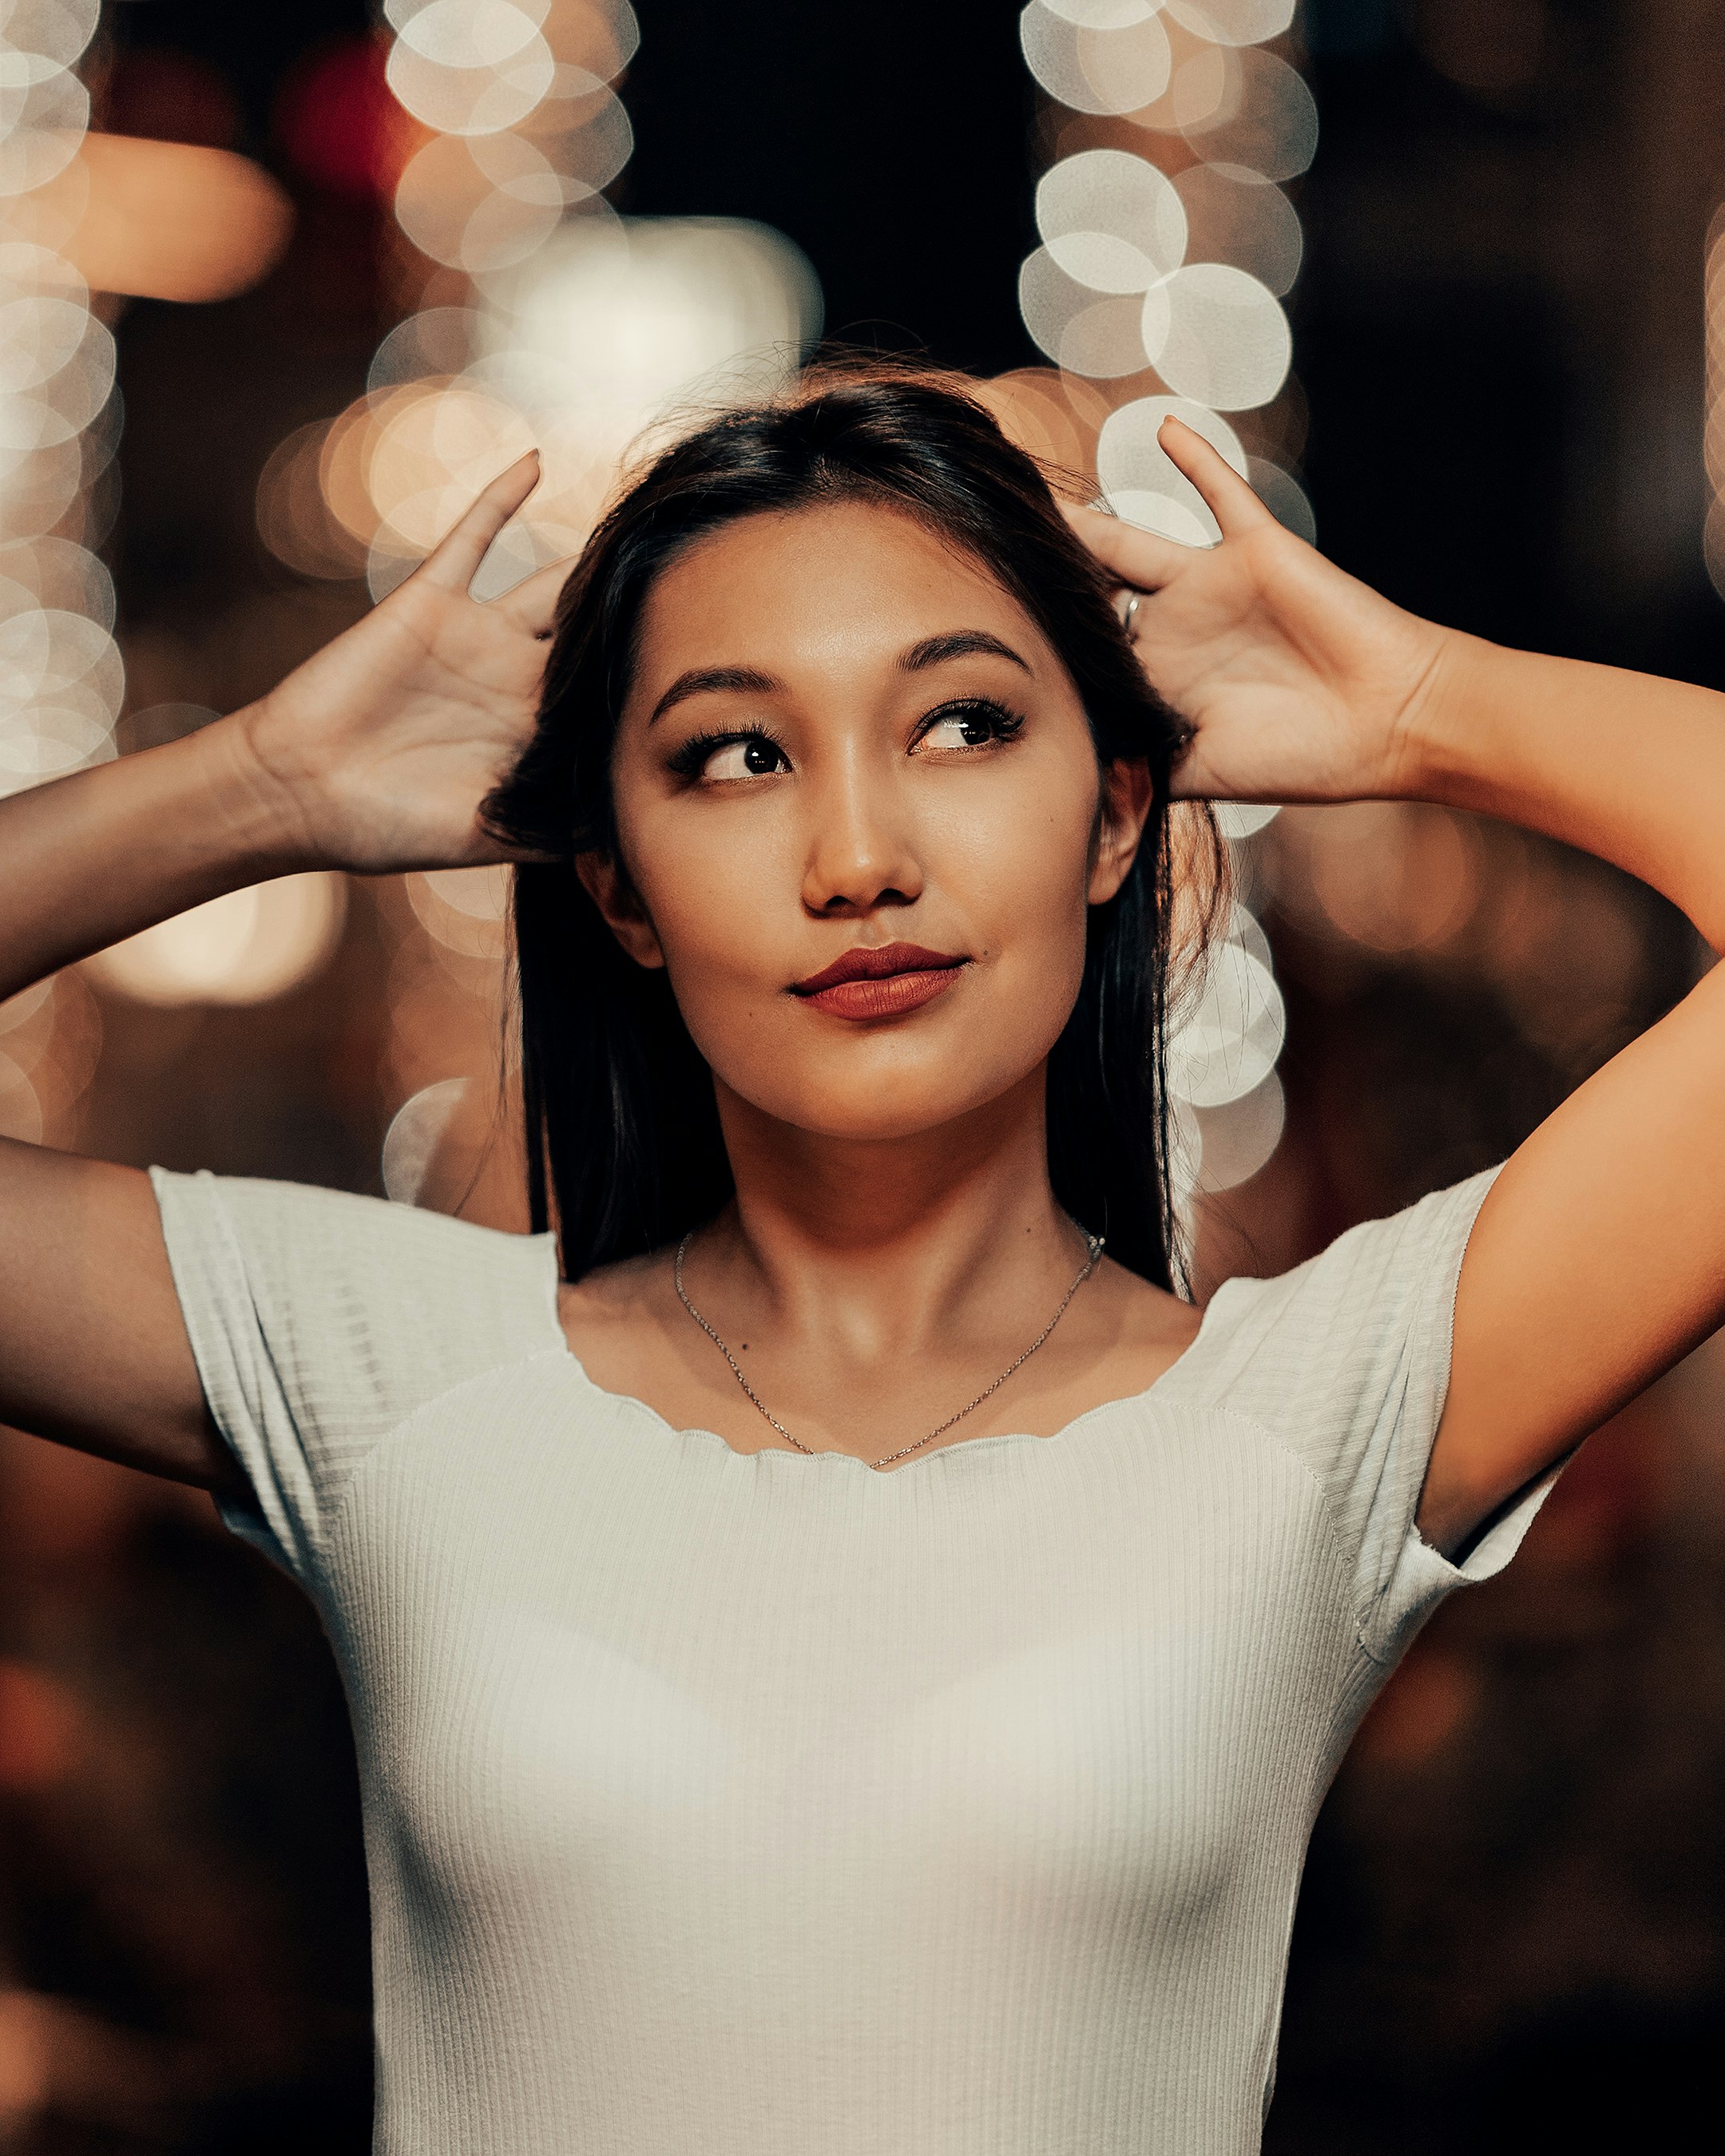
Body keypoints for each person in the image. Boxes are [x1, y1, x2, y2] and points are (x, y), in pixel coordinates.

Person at [1, 363, 1721, 2154]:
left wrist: (1430, 708)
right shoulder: (386, 1366)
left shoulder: (1324, 1411)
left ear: (1119, 813)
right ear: (619, 891)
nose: (857, 856)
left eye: (964, 726)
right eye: (736, 754)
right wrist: (263, 784)